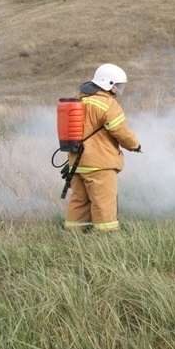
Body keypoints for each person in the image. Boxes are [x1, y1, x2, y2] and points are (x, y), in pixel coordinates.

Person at [64, 63, 141, 232]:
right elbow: (121, 132)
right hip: (100, 163)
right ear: (108, 84)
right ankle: (105, 238)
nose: (118, 89)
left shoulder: (78, 99)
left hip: (76, 162)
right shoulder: (107, 105)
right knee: (103, 202)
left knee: (79, 200)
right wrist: (135, 145)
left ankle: (72, 234)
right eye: (117, 85)